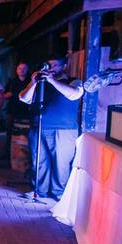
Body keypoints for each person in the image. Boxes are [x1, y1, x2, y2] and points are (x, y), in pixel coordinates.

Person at [20, 57, 84, 200]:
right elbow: (24, 98)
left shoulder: (73, 81)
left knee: (60, 162)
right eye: (49, 65)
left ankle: (58, 192)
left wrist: (52, 81)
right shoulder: (40, 83)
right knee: (39, 162)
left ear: (64, 66)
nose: (51, 68)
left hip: (63, 129)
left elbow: (74, 95)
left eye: (55, 65)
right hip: (39, 127)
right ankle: (39, 190)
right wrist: (33, 82)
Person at [4, 62, 32, 181]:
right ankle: (9, 158)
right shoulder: (12, 81)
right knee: (10, 133)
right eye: (19, 68)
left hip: (27, 112)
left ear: (27, 69)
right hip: (13, 111)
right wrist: (7, 95)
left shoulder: (31, 81)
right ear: (16, 70)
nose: (21, 70)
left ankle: (26, 164)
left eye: (24, 68)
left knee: (26, 138)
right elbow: (4, 95)